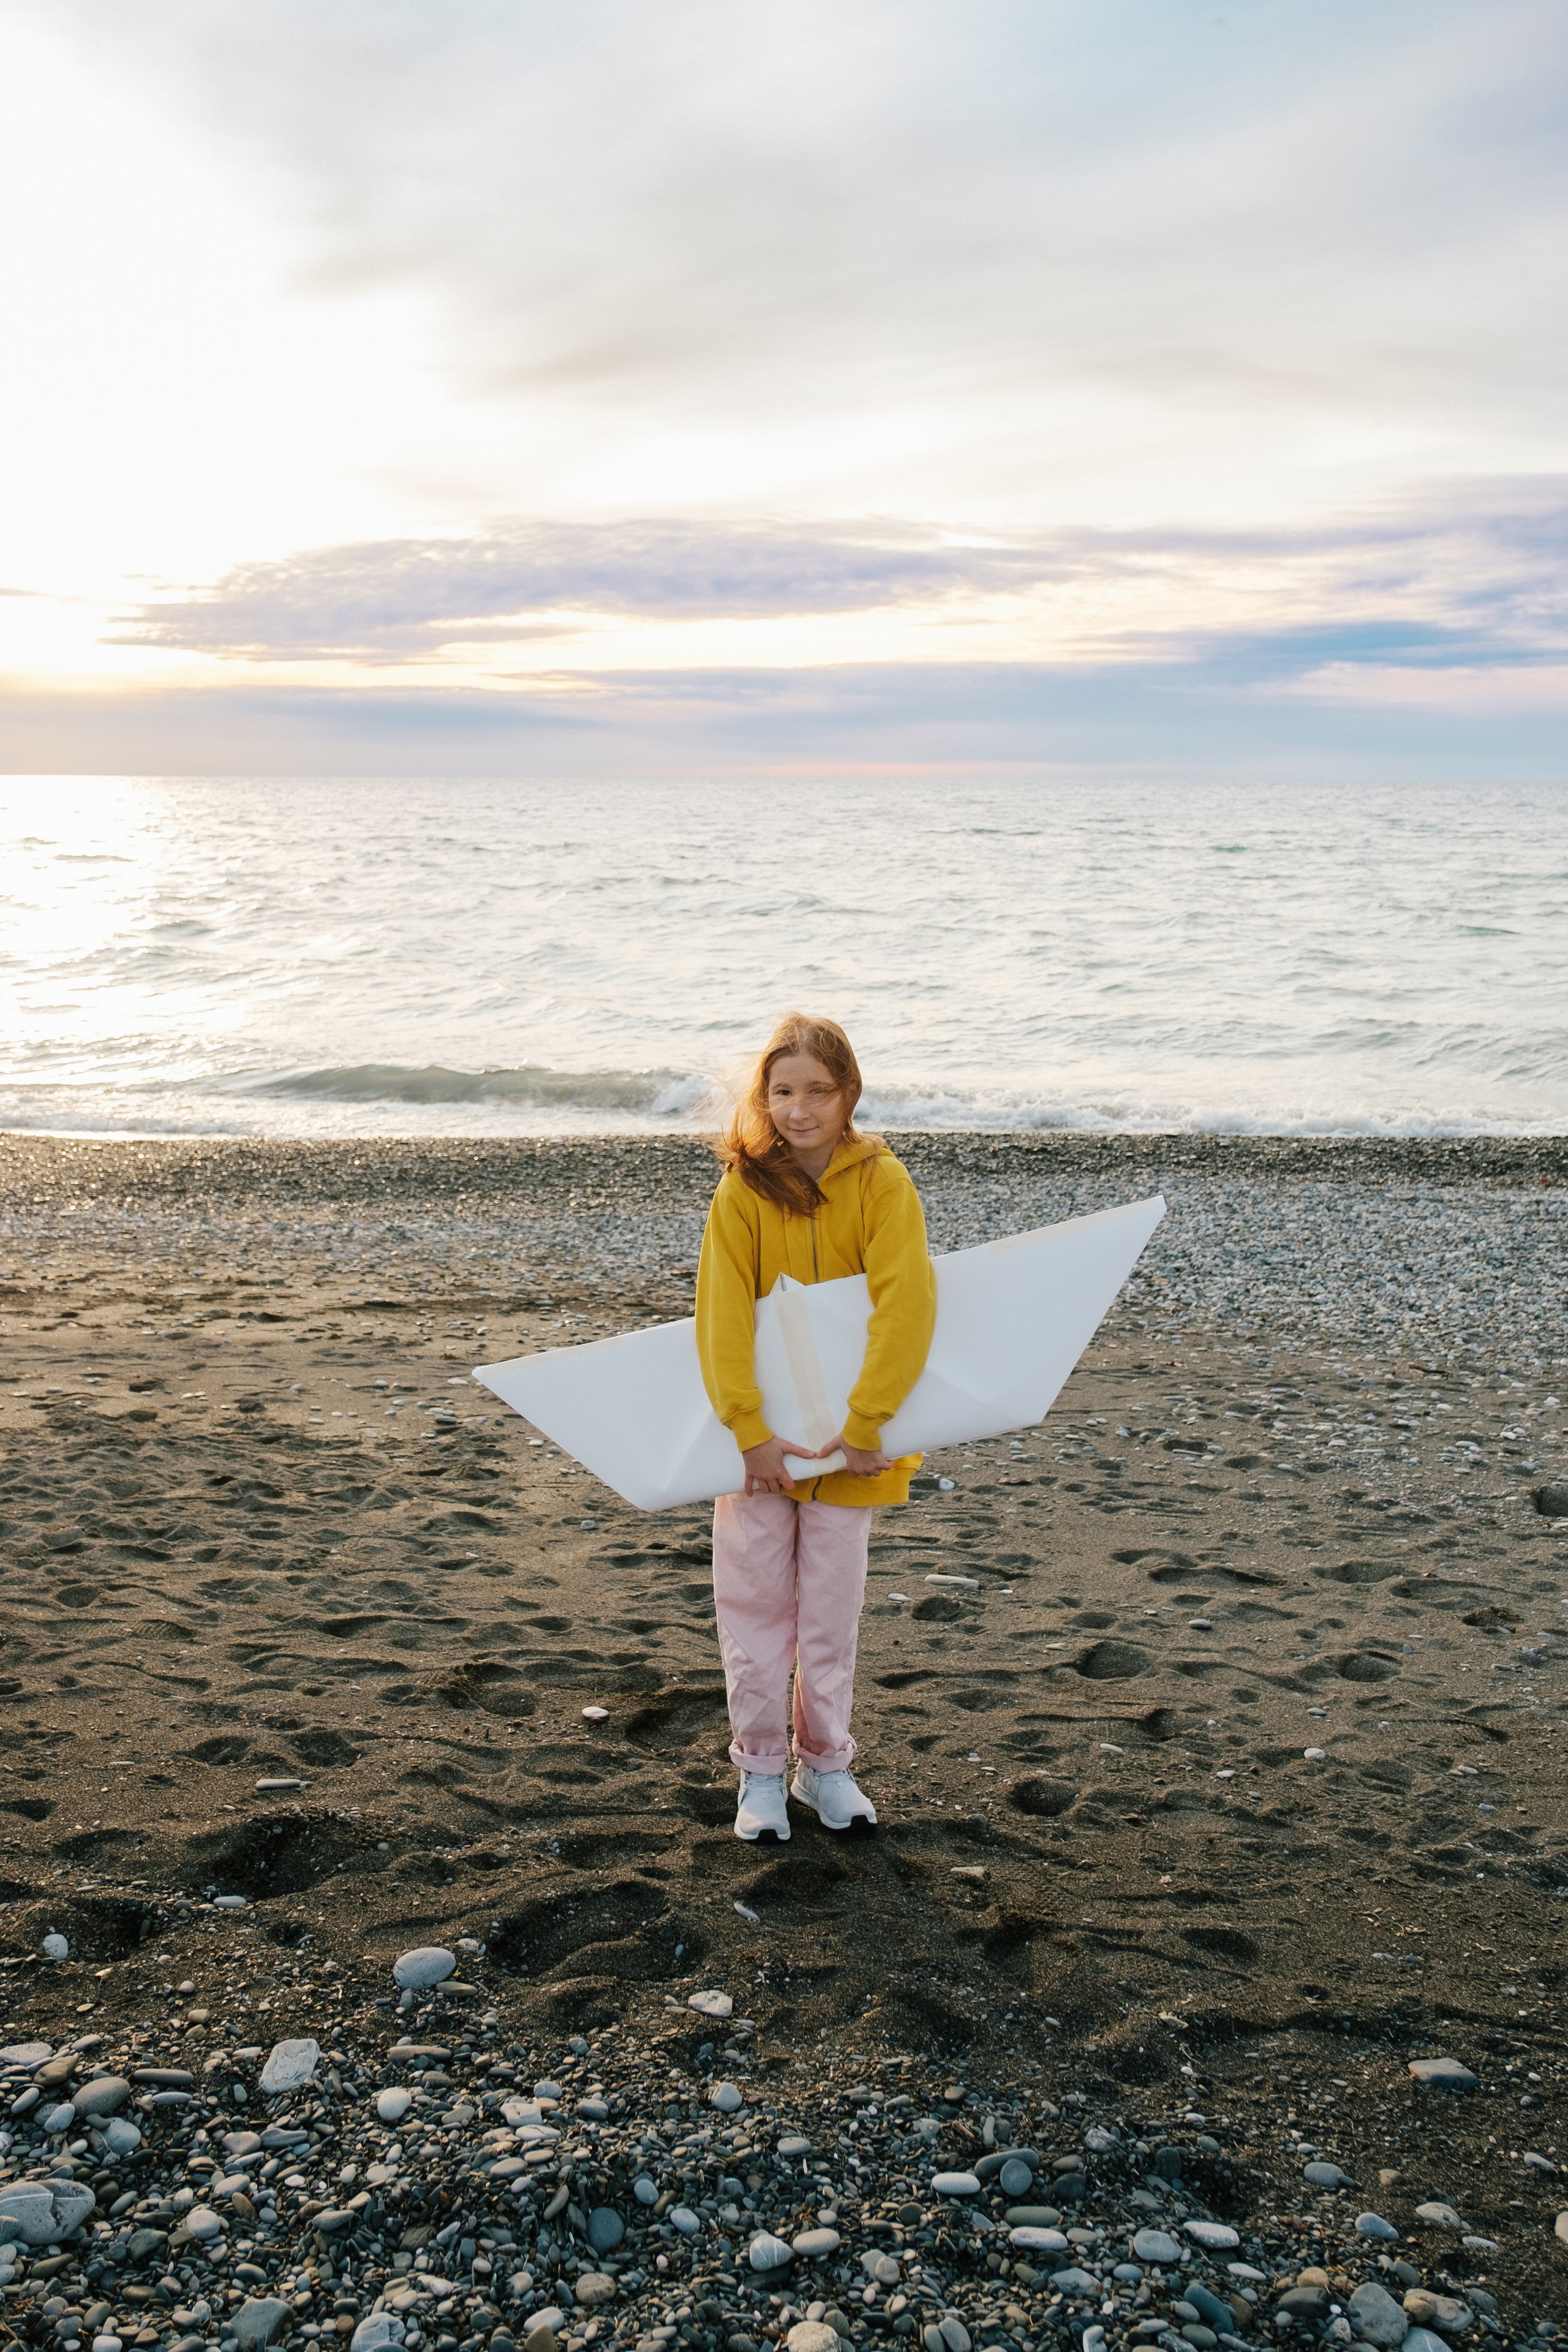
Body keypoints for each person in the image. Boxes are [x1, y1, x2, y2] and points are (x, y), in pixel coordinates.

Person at [695, 1014, 936, 1842]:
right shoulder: (743, 1190)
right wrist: (749, 1431)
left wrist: (870, 1421)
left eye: (819, 1092)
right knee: (755, 1608)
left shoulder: (883, 1184)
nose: (800, 1110)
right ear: (765, 1097)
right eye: (783, 1091)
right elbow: (721, 1318)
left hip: (853, 1447)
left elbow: (906, 1306)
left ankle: (826, 1768)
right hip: (760, 1452)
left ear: (849, 1094)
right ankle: (761, 1776)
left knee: (831, 1616)